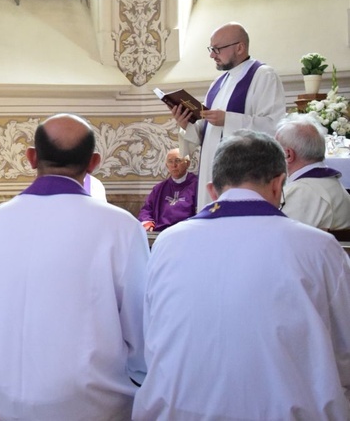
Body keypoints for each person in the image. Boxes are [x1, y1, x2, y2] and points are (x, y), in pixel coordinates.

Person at [133, 130, 350, 420]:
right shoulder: (319, 247)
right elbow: (344, 348)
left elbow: (153, 334)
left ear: (212, 190)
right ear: (279, 184)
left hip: (178, 410)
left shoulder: (168, 242)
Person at [0, 113, 149, 421]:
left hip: (0, 396)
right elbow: (142, 328)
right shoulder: (120, 226)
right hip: (90, 404)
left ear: (31, 157)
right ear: (94, 163)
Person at [173, 22, 285, 211]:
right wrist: (187, 124)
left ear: (240, 47)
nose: (211, 55)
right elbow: (207, 132)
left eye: (217, 49)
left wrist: (229, 120)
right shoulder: (218, 83)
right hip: (213, 169)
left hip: (246, 174)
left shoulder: (263, 75)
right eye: (211, 49)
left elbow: (274, 126)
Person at [275, 113, 350, 230]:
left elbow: (278, 237)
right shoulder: (335, 184)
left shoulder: (300, 192)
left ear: (288, 154)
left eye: (275, 150)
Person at [137, 148, 197, 231]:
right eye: (170, 161)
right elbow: (147, 209)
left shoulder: (197, 186)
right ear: (166, 165)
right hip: (161, 233)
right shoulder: (159, 188)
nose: (174, 165)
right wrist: (147, 223)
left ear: (188, 163)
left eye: (178, 161)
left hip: (187, 233)